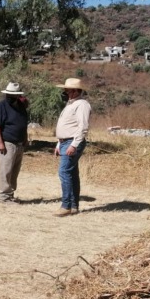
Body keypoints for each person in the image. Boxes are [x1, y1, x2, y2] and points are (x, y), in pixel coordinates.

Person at [53, 77, 91, 217]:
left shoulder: (82, 105)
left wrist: (74, 145)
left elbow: (82, 127)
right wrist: (59, 143)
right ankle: (73, 206)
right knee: (72, 173)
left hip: (71, 142)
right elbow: (68, 126)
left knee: (64, 172)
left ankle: (66, 206)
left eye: (67, 90)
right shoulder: (71, 104)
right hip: (65, 142)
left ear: (75, 91)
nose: (65, 92)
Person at [0, 82, 29, 204]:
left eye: (13, 95)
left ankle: (10, 195)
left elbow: (24, 124)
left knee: (14, 171)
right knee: (5, 170)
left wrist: (25, 138)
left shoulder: (21, 107)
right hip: (7, 143)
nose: (10, 97)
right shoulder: (1, 106)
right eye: (8, 94)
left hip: (19, 144)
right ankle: (4, 197)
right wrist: (0, 143)